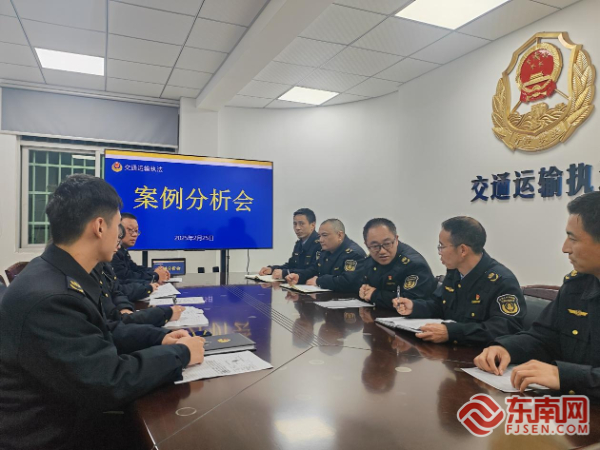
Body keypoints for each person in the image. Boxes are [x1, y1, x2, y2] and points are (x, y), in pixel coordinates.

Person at [0, 174, 205, 450]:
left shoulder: (58, 272)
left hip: (70, 412)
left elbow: (104, 330)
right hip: (56, 435)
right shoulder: (52, 297)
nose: (119, 237)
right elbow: (109, 381)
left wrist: (160, 339)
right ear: (99, 226)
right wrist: (181, 355)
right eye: (117, 226)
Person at [474, 192, 600, 399]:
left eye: (573, 238)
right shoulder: (577, 286)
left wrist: (565, 376)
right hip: (569, 410)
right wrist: (506, 348)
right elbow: (544, 337)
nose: (565, 248)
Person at [394, 216, 526, 346]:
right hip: (450, 349)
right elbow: (439, 305)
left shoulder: (501, 281)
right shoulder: (455, 271)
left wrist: (452, 332)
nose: (439, 252)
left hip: (480, 354)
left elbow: (505, 329)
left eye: (442, 246)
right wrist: (414, 307)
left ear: (463, 250)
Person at [356, 218, 437, 310]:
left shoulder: (414, 265)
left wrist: (375, 295)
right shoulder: (370, 261)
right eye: (375, 246)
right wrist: (363, 291)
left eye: (387, 244)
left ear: (396, 239)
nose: (382, 251)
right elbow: (363, 284)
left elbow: (411, 301)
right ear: (366, 245)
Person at [286, 218, 366, 292]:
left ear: (339, 235)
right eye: (319, 236)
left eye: (324, 235)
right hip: (328, 298)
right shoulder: (326, 250)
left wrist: (319, 281)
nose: (320, 240)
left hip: (348, 299)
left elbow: (347, 281)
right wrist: (299, 277)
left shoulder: (354, 254)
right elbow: (314, 269)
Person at [259, 208, 321, 279]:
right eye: (295, 224)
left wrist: (285, 273)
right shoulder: (299, 244)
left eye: (301, 224)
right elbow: (291, 265)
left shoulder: (320, 244)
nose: (297, 228)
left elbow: (313, 271)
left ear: (312, 225)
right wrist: (272, 269)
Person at [112, 212, 170, 284]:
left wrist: (156, 271)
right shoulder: (112, 252)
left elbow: (135, 269)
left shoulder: (123, 251)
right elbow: (125, 276)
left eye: (136, 231)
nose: (135, 234)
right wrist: (155, 275)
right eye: (130, 230)